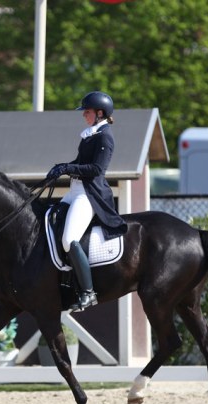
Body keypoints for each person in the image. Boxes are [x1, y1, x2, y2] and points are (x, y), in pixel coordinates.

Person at [46, 91, 128, 312]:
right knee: (47, 220)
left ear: (100, 113)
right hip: (74, 191)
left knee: (69, 239)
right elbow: (80, 162)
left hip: (89, 195)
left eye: (87, 112)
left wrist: (68, 168)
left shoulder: (104, 137)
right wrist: (61, 167)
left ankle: (88, 292)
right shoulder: (90, 135)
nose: (84, 115)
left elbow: (96, 169)